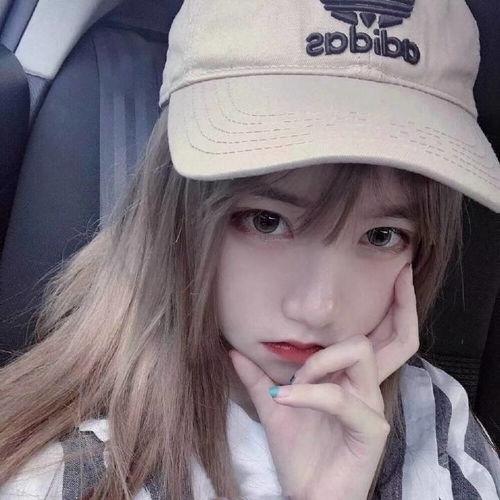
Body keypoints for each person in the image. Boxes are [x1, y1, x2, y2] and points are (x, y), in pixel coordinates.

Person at [0, 0, 499, 498]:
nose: (317, 308)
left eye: (381, 236)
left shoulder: (438, 424)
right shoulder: (66, 477)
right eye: (267, 221)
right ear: (176, 213)